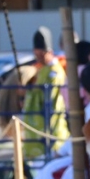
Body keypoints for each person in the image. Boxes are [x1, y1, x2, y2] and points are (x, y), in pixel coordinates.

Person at [22, 26, 69, 160]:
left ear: (49, 52)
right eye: (36, 54)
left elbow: (51, 98)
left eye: (41, 54)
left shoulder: (55, 72)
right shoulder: (42, 69)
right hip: (37, 125)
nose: (39, 58)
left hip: (50, 125)